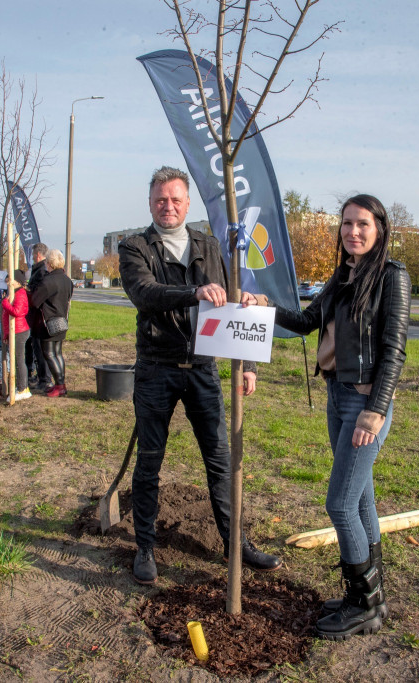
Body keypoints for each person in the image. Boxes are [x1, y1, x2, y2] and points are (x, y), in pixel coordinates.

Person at [118, 166, 282, 585]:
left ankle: (235, 545)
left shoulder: (210, 245)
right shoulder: (134, 247)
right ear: (150, 202)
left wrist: (247, 363)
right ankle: (146, 548)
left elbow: (237, 301)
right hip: (156, 368)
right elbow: (144, 294)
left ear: (187, 203)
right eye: (160, 199)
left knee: (221, 462)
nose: (167, 206)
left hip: (204, 370)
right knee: (150, 461)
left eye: (175, 199)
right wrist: (194, 292)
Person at [271, 194, 410, 641]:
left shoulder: (392, 276)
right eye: (347, 224)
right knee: (361, 499)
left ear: (380, 228)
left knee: (340, 504)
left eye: (363, 224)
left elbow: (394, 350)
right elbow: (308, 320)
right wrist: (262, 306)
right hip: (336, 396)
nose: (353, 232)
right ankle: (372, 595)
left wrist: (376, 410)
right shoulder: (342, 275)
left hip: (364, 403)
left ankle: (361, 604)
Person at [30, 248, 73, 397]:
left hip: (48, 323)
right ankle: (61, 383)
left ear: (49, 263)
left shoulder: (48, 281)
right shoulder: (67, 280)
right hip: (62, 320)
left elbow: (35, 302)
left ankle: (60, 385)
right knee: (58, 353)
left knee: (49, 354)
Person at [0, 270, 32, 402]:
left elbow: (18, 312)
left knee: (19, 361)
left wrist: (5, 303)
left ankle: (23, 388)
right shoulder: (14, 293)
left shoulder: (20, 293)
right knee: (16, 360)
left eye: (9, 279)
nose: (7, 282)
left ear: (17, 281)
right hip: (14, 331)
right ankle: (20, 387)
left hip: (19, 331)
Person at [25, 242, 53, 391]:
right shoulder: (40, 270)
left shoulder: (41, 271)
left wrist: (28, 291)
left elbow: (39, 294)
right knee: (37, 348)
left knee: (40, 349)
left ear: (37, 255)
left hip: (38, 316)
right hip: (35, 316)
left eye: (32, 254)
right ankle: (42, 376)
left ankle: (44, 379)